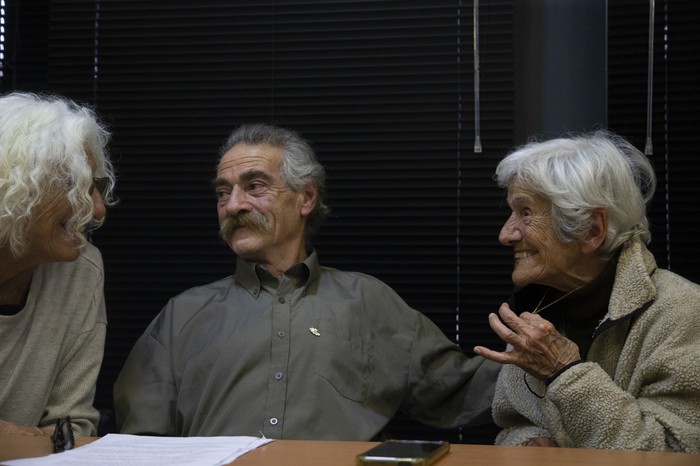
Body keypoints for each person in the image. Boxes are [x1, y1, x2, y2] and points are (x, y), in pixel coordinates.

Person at [114, 123, 501, 440]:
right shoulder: (181, 316)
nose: (234, 205)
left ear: (306, 198)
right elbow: (139, 444)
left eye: (254, 186)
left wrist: (555, 368)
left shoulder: (367, 301)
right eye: (223, 192)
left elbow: (456, 391)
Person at [473, 131, 700, 452]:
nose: (505, 234)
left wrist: (564, 371)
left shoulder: (683, 313)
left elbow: (675, 452)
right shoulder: (536, 309)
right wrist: (525, 444)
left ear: (592, 230)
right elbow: (515, 422)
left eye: (525, 213)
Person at [0, 92, 116, 437]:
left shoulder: (81, 271)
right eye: (74, 183)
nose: (98, 210)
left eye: (96, 187)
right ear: (12, 188)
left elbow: (70, 430)